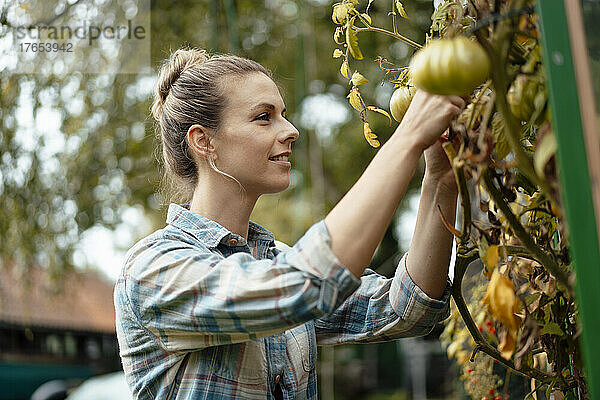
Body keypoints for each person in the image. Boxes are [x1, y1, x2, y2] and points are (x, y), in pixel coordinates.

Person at [114, 48, 465, 400]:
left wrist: (440, 178)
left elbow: (406, 309)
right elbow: (303, 286)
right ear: (204, 141)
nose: (291, 130)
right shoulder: (153, 269)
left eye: (284, 115)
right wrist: (407, 138)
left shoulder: (273, 260)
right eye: (264, 117)